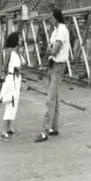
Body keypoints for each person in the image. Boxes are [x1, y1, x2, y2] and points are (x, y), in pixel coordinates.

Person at [35, 9, 70, 143]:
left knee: (50, 99)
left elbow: (54, 51)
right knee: (54, 98)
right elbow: (49, 49)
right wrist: (47, 56)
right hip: (52, 66)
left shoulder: (62, 31)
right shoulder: (55, 31)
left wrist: (50, 49)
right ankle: (54, 127)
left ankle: (44, 132)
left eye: (51, 18)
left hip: (58, 67)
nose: (49, 20)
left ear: (56, 18)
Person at [0, 32, 23, 142]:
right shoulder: (12, 53)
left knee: (13, 104)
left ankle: (8, 128)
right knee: (10, 104)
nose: (21, 39)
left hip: (15, 79)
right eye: (19, 38)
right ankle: (4, 131)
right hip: (12, 80)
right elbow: (17, 67)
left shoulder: (14, 52)